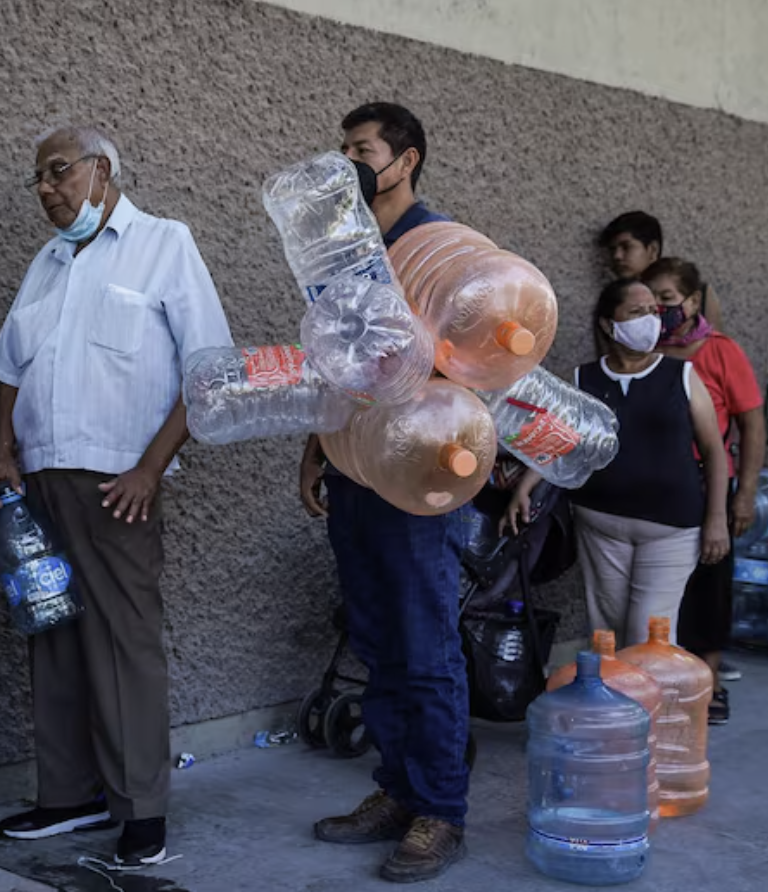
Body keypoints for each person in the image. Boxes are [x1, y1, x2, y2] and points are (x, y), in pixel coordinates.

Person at [0, 126, 232, 866]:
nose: (46, 189)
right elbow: (8, 365)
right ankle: (68, 795)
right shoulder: (49, 262)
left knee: (124, 644)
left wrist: (151, 468)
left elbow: (209, 370)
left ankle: (142, 810)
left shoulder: (164, 244)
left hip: (119, 481)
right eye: (37, 179)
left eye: (57, 172)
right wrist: (2, 451)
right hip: (39, 480)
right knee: (52, 633)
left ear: (103, 170)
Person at [298, 102, 470, 885]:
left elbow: (473, 365)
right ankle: (397, 792)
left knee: (424, 641)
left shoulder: (439, 250)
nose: (348, 162)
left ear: (404, 161)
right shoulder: (345, 249)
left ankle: (440, 810)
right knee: (374, 638)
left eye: (361, 150)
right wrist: (315, 447)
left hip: (420, 472)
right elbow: (337, 357)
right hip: (354, 465)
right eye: (343, 149)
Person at [504, 279, 731, 648]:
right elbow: (560, 441)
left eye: (654, 312)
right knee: (607, 632)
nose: (650, 320)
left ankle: (650, 705)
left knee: (649, 635)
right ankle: (617, 705)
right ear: (609, 325)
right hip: (600, 525)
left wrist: (717, 520)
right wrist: (525, 489)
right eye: (637, 312)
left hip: (671, 529)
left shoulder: (682, 375)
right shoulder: (584, 378)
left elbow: (714, 451)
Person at [644, 257, 765, 725]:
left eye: (669, 300)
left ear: (693, 302)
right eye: (652, 301)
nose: (659, 310)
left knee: (708, 585)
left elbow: (753, 424)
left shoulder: (719, 351)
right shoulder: (645, 351)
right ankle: (662, 681)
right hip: (656, 483)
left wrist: (745, 494)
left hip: (707, 481)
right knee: (663, 588)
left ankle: (709, 684)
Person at [599, 211, 724, 331]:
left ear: (653, 250)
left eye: (626, 247)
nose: (617, 256)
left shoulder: (697, 292)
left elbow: (716, 346)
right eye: (612, 249)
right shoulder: (613, 299)